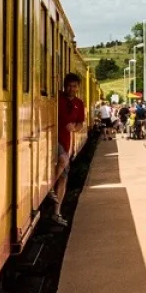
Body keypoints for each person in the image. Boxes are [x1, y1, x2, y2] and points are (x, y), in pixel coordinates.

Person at [53, 73, 85, 227]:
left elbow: (80, 124)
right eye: (69, 86)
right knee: (63, 160)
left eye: (74, 86)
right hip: (54, 138)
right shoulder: (57, 97)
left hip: (67, 141)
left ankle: (56, 212)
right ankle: (50, 190)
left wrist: (75, 128)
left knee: (64, 178)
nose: (72, 89)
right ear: (64, 86)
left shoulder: (79, 103)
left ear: (78, 88)